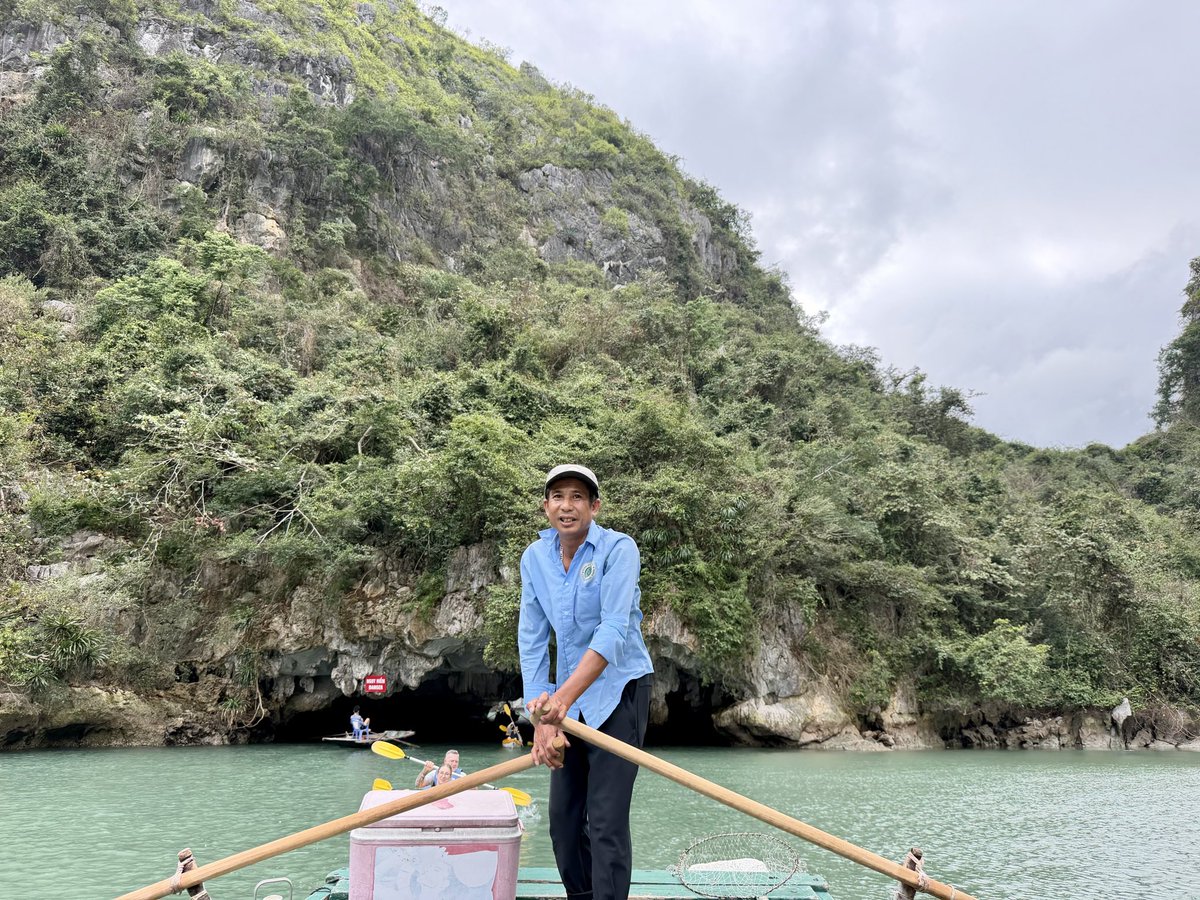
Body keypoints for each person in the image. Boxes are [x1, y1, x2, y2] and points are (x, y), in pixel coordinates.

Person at [519, 463, 653, 900]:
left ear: (594, 507)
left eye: (578, 497)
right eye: (558, 496)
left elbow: (613, 631)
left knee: (606, 821)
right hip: (565, 704)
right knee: (563, 821)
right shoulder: (535, 558)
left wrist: (560, 701)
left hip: (620, 692)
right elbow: (533, 641)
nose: (567, 505)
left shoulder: (619, 549)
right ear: (546, 507)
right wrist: (541, 718)